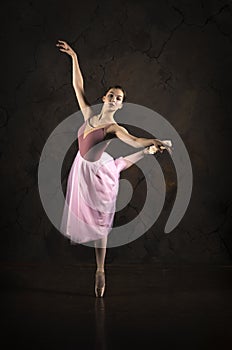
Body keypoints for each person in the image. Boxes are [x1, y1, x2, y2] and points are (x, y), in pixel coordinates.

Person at [56, 40, 170, 297]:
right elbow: (77, 86)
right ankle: (147, 153)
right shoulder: (88, 115)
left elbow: (133, 139)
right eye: (111, 95)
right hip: (81, 169)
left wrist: (152, 141)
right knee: (114, 171)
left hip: (97, 175)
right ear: (104, 98)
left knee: (100, 222)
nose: (114, 99)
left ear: (120, 105)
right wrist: (74, 56)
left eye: (119, 98)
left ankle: (100, 270)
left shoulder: (114, 128)